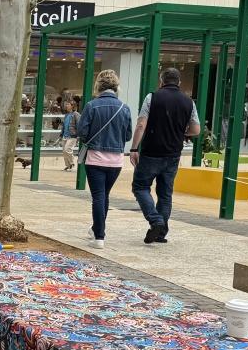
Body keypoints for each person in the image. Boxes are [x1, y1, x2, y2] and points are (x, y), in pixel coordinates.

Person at [131, 67, 201, 244]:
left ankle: (155, 220)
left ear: (161, 81)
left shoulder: (152, 97)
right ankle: (161, 233)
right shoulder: (189, 102)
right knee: (165, 194)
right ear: (179, 82)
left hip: (151, 152)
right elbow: (196, 130)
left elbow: (141, 125)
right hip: (173, 154)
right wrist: (180, 132)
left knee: (140, 187)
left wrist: (134, 149)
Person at [76, 70, 132, 250]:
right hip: (116, 161)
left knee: (98, 196)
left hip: (95, 158)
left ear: (98, 86)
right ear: (116, 87)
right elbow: (128, 135)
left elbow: (82, 132)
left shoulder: (91, 106)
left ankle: (99, 236)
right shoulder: (124, 108)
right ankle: (96, 229)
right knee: (104, 195)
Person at [61, 95, 81, 171]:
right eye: (66, 104)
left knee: (67, 149)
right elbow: (64, 125)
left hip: (72, 136)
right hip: (65, 135)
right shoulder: (66, 115)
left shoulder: (76, 114)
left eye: (68, 104)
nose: (66, 106)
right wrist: (61, 134)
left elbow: (79, 125)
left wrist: (78, 135)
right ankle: (68, 165)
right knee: (64, 151)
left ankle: (72, 164)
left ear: (72, 106)